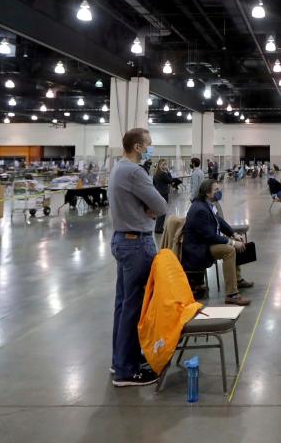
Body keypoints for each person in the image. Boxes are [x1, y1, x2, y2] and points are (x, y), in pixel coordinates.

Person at [107, 128, 168, 387]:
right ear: (137, 146)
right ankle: (127, 371)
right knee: (134, 308)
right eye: (149, 144)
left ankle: (121, 359)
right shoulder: (134, 171)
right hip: (136, 244)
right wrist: (149, 210)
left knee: (123, 305)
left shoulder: (118, 168)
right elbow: (162, 205)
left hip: (122, 239)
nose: (151, 148)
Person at [181, 180, 253, 304]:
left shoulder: (207, 204)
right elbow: (210, 236)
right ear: (208, 193)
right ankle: (232, 294)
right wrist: (232, 243)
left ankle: (237, 279)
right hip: (198, 248)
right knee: (229, 250)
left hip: (206, 243)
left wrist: (233, 234)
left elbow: (219, 220)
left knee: (233, 244)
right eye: (216, 190)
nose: (219, 192)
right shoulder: (199, 209)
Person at [152, 159, 174, 233]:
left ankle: (158, 227)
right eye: (164, 165)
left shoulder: (155, 173)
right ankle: (159, 228)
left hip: (158, 193)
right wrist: (168, 172)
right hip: (164, 194)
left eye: (165, 164)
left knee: (160, 211)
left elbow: (154, 184)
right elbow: (170, 180)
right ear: (160, 165)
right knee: (163, 212)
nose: (165, 166)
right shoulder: (163, 174)